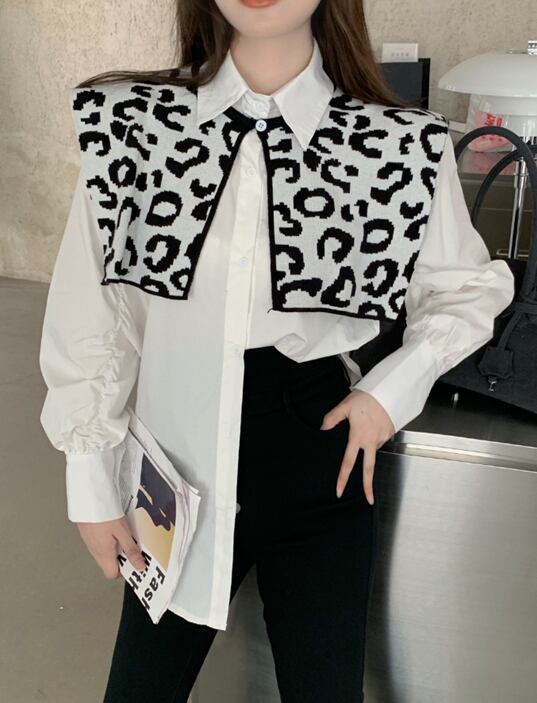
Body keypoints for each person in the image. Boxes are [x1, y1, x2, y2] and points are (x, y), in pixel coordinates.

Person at [38, 0, 515, 701]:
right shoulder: (134, 126)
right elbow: (97, 308)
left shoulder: (395, 142)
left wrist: (388, 392)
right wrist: (89, 479)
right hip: (176, 457)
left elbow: (468, 288)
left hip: (319, 447)